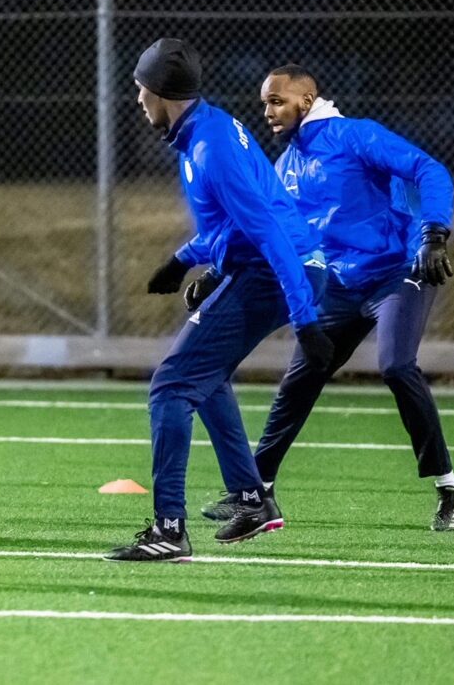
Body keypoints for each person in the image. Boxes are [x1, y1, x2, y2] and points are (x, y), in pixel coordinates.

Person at [203, 65, 454, 532]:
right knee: (303, 374)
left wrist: (434, 234)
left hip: (398, 272)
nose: (268, 112)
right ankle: (257, 487)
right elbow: (265, 229)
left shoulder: (354, 136)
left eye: (277, 101)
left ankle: (447, 486)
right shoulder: (285, 166)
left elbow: (430, 169)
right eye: (264, 103)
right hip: (342, 285)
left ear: (306, 101)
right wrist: (216, 269)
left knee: (396, 366)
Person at [105, 39, 332, 563]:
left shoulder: (211, 148)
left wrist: (306, 321)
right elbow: (236, 225)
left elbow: (271, 231)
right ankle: (252, 499)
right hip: (267, 269)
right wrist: (186, 258)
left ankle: (169, 529)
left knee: (171, 385)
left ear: (160, 92)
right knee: (203, 380)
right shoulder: (205, 130)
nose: (137, 99)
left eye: (141, 89)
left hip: (278, 274)